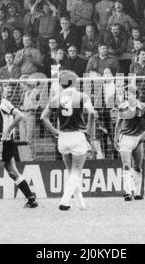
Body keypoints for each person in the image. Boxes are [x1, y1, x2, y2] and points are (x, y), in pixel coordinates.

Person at [40, 71, 95, 211]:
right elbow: (92, 112)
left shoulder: (55, 99)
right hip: (77, 135)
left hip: (63, 136)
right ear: (75, 82)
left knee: (71, 172)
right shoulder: (82, 96)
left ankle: (81, 204)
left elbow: (43, 117)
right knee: (76, 171)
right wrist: (88, 129)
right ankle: (65, 200)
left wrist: (54, 132)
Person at [114, 84, 145, 201]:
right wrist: (115, 138)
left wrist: (144, 134)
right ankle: (127, 192)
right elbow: (119, 124)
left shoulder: (144, 108)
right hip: (125, 138)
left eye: (128, 94)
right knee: (126, 164)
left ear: (135, 95)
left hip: (138, 139)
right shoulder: (123, 107)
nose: (126, 96)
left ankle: (138, 192)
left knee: (137, 167)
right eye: (125, 94)